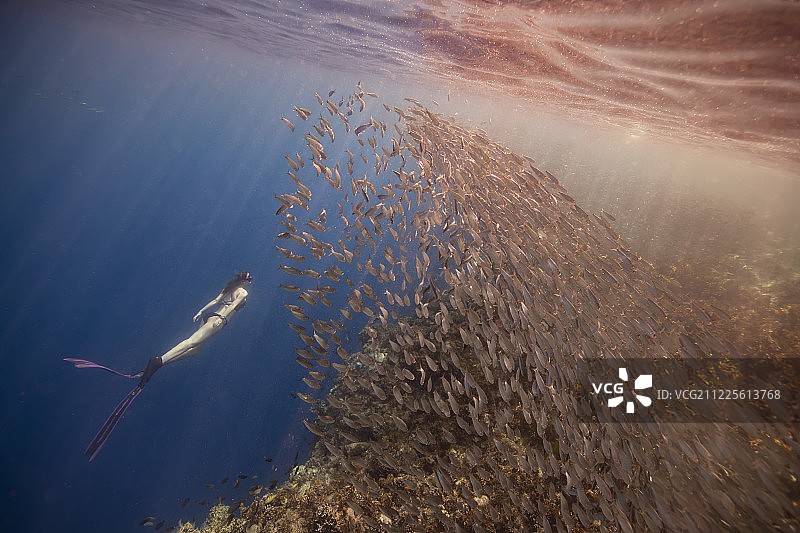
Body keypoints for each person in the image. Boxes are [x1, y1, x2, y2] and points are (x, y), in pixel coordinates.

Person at [65, 271, 252, 461]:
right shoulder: (242, 293)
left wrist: (200, 313)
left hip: (210, 317)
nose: (249, 283)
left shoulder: (229, 289)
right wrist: (223, 318)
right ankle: (158, 361)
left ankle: (160, 363)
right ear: (244, 281)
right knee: (191, 343)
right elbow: (234, 306)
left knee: (196, 350)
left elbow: (214, 301)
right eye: (249, 280)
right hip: (219, 320)